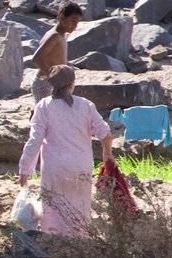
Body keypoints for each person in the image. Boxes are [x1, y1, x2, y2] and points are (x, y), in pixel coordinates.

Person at [19, 64, 114, 237]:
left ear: (52, 85)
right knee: (80, 209)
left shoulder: (44, 106)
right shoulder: (86, 105)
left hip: (54, 169)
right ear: (72, 84)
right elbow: (105, 134)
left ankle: (54, 247)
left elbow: (35, 140)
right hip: (81, 167)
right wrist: (107, 154)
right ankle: (79, 248)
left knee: (53, 212)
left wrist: (25, 170)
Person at [31, 2, 84, 99]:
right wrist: (54, 78)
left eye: (77, 22)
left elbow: (53, 58)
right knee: (48, 112)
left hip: (50, 83)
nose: (75, 25)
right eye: (72, 20)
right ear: (62, 17)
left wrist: (68, 65)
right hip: (45, 84)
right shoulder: (54, 36)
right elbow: (37, 59)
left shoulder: (61, 35)